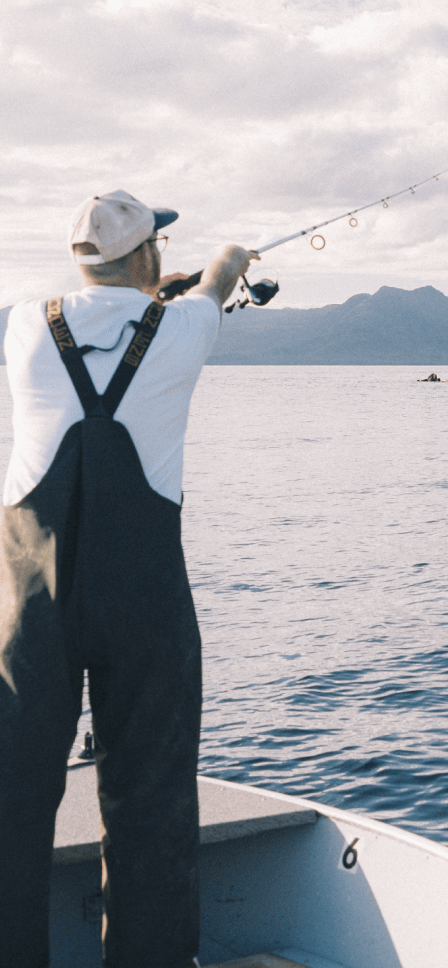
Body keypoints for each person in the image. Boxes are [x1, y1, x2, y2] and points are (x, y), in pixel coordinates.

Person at [0, 190, 254, 968]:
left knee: (9, 805)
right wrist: (230, 260)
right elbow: (218, 278)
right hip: (143, 608)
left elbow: (107, 314)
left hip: (28, 607)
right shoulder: (181, 329)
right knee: (151, 804)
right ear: (145, 256)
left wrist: (146, 292)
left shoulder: (21, 327)